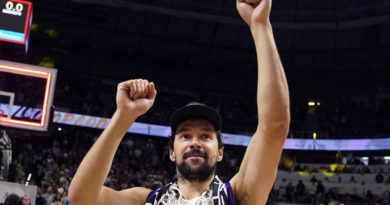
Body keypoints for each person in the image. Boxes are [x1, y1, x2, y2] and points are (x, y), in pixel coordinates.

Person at [68, 0, 290, 204]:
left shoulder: (238, 195)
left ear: (220, 152)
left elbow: (275, 126)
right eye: (185, 136)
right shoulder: (145, 200)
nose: (195, 142)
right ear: (172, 152)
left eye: (205, 136)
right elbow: (81, 197)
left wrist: (260, 25)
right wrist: (123, 116)